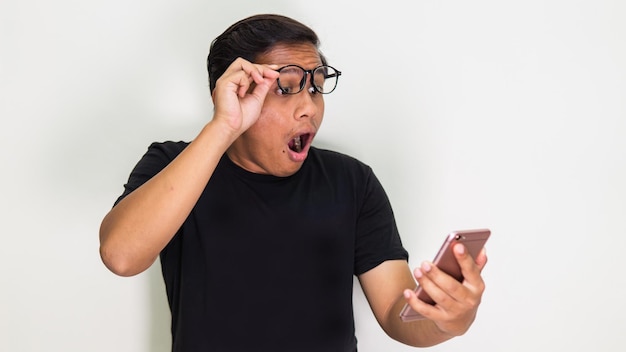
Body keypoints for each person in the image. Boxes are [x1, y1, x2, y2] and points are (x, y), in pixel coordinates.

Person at [99, 13, 488, 352]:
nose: (310, 107)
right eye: (286, 86)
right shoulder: (172, 165)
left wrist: (448, 319)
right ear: (234, 90)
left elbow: (396, 314)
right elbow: (122, 256)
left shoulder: (352, 181)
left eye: (317, 85)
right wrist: (223, 126)